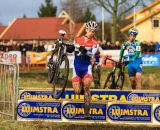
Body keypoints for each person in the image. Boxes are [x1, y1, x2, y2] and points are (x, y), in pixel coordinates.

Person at [68, 21, 100, 118]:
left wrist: (86, 52)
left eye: (94, 32)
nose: (92, 33)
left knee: (87, 86)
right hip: (76, 68)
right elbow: (71, 49)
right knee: (77, 91)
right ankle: (80, 85)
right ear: (86, 30)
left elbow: (93, 55)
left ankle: (87, 112)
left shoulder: (95, 43)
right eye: (90, 31)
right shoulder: (77, 39)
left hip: (86, 68)